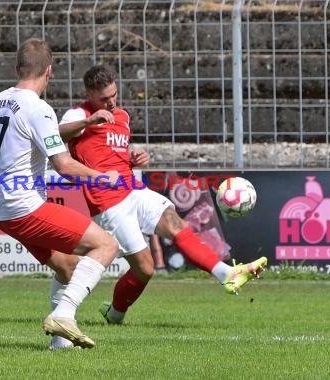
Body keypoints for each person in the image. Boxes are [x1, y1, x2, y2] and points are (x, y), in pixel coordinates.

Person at [49, 64, 267, 349]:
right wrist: (89, 122)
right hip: (108, 204)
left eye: (114, 95)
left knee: (175, 222)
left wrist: (133, 159)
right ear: (89, 94)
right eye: (104, 99)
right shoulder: (79, 114)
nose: (111, 102)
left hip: (133, 190)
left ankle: (226, 273)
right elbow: (57, 134)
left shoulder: (123, 117)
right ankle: (115, 313)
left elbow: (110, 155)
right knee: (145, 269)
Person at [0, 39, 120, 349]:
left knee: (66, 265)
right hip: (26, 206)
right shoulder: (39, 108)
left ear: (17, 68)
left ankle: (60, 344)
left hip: (4, 211)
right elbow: (63, 165)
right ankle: (64, 314)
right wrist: (103, 178)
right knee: (106, 245)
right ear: (49, 72)